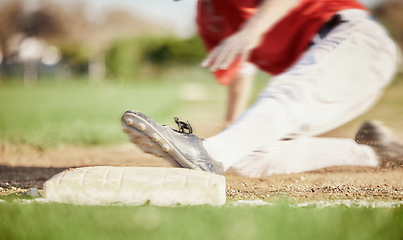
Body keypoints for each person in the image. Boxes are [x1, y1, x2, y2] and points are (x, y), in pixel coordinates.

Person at [121, 0, 402, 177]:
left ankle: (209, 153)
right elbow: (240, 70)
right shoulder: (208, 17)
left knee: (287, 93)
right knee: (245, 157)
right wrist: (233, 127)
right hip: (328, 73)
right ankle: (375, 151)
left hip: (355, 44)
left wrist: (251, 30)